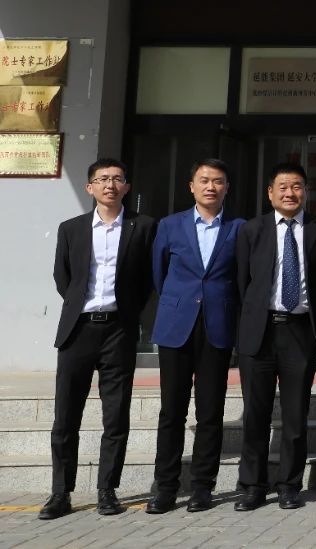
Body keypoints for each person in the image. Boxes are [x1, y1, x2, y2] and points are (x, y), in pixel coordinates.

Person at [40, 159, 156, 520]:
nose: (110, 185)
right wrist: (82, 307)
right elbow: (63, 277)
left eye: (117, 179)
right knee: (66, 415)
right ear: (89, 187)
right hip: (78, 329)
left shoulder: (143, 227)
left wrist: (128, 312)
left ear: (127, 187)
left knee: (116, 414)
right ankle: (61, 492)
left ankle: (107, 489)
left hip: (118, 330)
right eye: (103, 179)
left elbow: (147, 279)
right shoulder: (71, 228)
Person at [147, 159, 245, 514]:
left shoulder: (238, 228)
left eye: (218, 181)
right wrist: (181, 303)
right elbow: (159, 273)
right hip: (177, 326)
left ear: (227, 188)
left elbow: (241, 276)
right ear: (191, 186)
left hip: (217, 326)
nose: (210, 187)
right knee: (172, 411)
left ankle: (203, 486)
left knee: (210, 411)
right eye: (204, 180)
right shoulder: (169, 225)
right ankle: (166, 487)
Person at [233, 162, 316, 511]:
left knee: (295, 416)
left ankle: (289, 485)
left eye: (297, 186)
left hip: (299, 331)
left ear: (306, 191)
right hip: (259, 332)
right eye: (283, 187)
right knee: (255, 415)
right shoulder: (251, 230)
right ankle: (252, 487)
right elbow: (241, 283)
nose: (290, 193)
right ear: (270, 192)